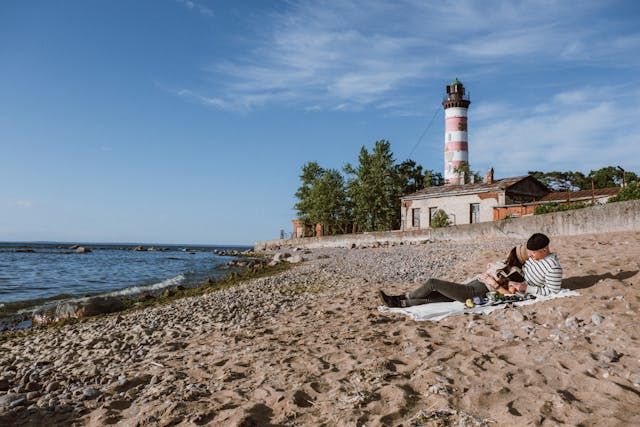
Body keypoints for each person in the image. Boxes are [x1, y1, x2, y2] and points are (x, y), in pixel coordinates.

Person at [379, 233, 562, 307]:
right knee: (437, 298)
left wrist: (519, 287)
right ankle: (399, 302)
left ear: (544, 250)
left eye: (533, 254)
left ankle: (405, 298)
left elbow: (550, 291)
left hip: (477, 292)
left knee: (433, 283)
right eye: (528, 254)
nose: (531, 256)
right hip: (475, 286)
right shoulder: (532, 262)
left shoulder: (550, 266)